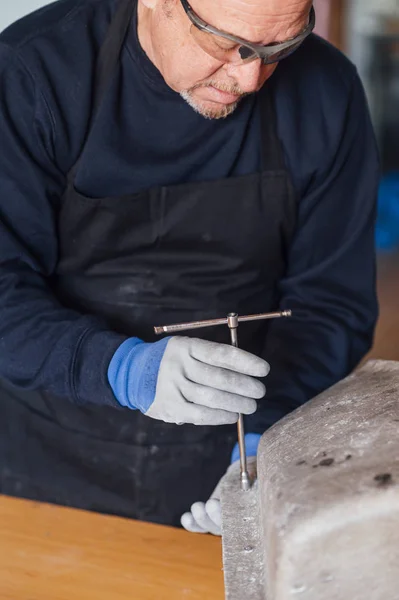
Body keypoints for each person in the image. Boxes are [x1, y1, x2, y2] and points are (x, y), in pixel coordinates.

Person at [0, 0, 379, 535]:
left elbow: (331, 302)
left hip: (225, 458)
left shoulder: (325, 92)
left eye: (279, 47)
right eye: (227, 43)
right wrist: (119, 369)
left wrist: (264, 449)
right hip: (47, 456)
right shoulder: (34, 72)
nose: (250, 78)